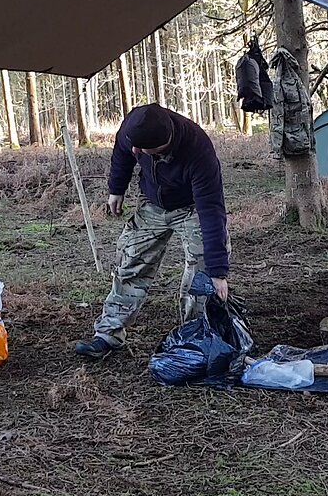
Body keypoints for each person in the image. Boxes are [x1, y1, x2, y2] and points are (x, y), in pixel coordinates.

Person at [74, 103, 231, 359]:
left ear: (164, 144)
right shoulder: (135, 127)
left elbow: (212, 211)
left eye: (144, 149)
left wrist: (218, 271)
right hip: (152, 205)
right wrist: (117, 189)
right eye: (135, 145)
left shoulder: (198, 150)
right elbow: (123, 153)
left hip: (191, 207)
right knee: (131, 262)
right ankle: (108, 335)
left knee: (201, 276)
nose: (137, 151)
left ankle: (196, 338)